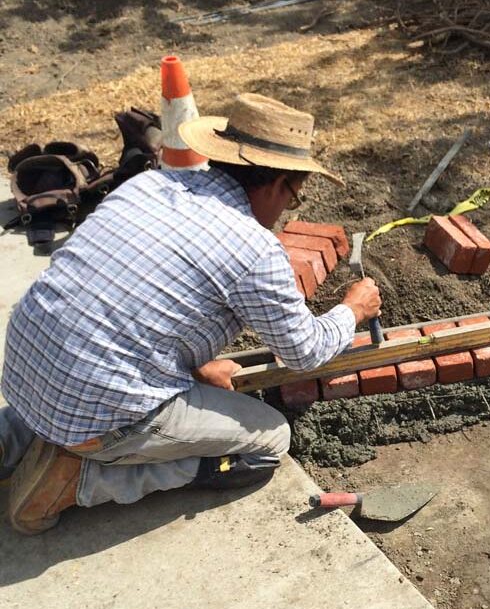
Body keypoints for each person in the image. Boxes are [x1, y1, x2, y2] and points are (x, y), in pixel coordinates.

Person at [1, 93, 381, 535]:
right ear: (279, 184)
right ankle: (80, 479)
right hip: (100, 405)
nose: (283, 215)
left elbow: (132, 296)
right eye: (292, 198)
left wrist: (194, 368)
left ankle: (12, 441)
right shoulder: (253, 249)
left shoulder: (149, 185)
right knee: (268, 442)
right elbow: (304, 352)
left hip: (25, 366)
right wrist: (352, 310)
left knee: (65, 393)